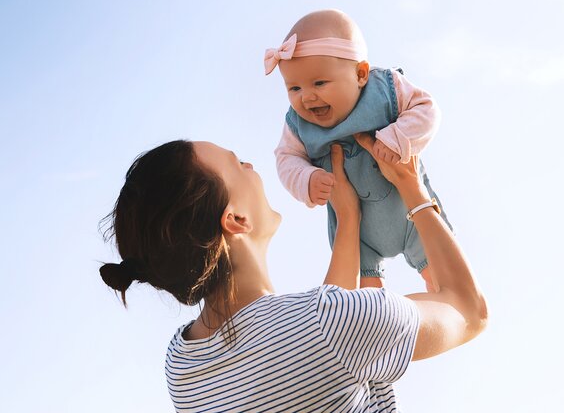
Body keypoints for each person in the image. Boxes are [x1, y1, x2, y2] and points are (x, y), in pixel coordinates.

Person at [99, 134, 487, 412]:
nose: (251, 166)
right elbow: (470, 311)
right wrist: (412, 189)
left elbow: (317, 355)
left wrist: (348, 219)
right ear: (236, 220)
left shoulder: (183, 366)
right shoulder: (332, 324)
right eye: (238, 164)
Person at [266, 9, 449, 291]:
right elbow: (286, 158)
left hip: (411, 212)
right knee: (364, 301)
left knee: (442, 278)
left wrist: (398, 137)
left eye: (319, 83)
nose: (307, 97)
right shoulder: (298, 125)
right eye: (294, 88)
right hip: (358, 232)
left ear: (361, 73)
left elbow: (427, 109)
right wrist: (306, 179)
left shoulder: (385, 88)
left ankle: (442, 299)